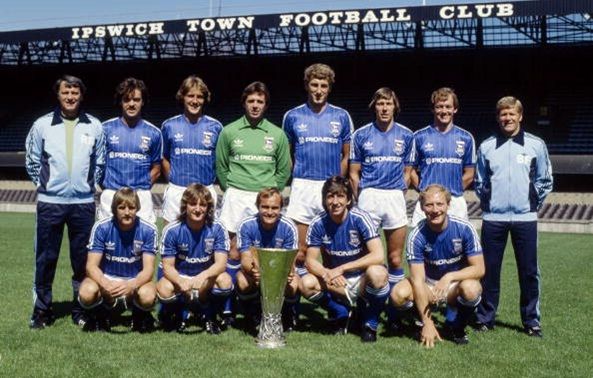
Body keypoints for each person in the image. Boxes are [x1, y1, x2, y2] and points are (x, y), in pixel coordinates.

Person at [25, 74, 105, 329]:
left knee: (82, 261)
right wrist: (44, 185)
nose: (70, 97)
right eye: (65, 92)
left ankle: (80, 308)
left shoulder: (94, 126)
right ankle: (42, 310)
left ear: (81, 95)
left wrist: (90, 186)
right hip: (51, 203)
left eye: (75, 92)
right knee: (46, 259)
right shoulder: (42, 125)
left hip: (83, 204)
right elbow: (32, 160)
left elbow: (99, 162)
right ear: (58, 95)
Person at [475, 96, 553, 337]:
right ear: (498, 117)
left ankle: (531, 321)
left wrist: (531, 202)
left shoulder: (536, 145)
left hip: (525, 219)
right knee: (489, 271)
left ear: (520, 116)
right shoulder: (486, 146)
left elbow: (545, 179)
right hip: (493, 219)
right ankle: (486, 318)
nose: (507, 118)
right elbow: (480, 181)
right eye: (503, 114)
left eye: (511, 114)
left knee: (529, 272)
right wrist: (489, 202)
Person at [215, 81, 291, 324]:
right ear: (244, 103)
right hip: (236, 194)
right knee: (234, 249)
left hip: (264, 197)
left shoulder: (277, 134)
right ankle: (230, 307)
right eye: (251, 101)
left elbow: (284, 169)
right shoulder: (229, 131)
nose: (255, 106)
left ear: (266, 104)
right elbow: (221, 166)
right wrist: (233, 187)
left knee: (263, 248)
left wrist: (269, 193)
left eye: (260, 101)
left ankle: (262, 304)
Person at [349, 87, 414, 330]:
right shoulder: (361, 134)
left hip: (394, 197)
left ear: (395, 106)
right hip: (369, 196)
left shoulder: (407, 135)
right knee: (365, 258)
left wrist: (398, 191)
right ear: (374, 107)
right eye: (380, 104)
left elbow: (408, 172)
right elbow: (354, 173)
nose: (384, 108)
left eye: (388, 104)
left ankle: (393, 311)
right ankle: (364, 306)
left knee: (395, 257)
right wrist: (361, 196)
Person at [283, 63, 354, 276]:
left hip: (330, 187)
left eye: (323, 85)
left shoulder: (342, 116)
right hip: (303, 186)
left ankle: (334, 300)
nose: (319, 90)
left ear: (329, 87)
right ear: (307, 86)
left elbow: (347, 155)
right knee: (300, 250)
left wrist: (337, 181)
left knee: (331, 250)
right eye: (314, 84)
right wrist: (299, 172)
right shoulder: (292, 116)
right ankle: (298, 296)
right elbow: (287, 154)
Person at [392, 184, 484, 347]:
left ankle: (458, 326)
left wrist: (449, 277)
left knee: (472, 289)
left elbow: (479, 269)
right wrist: (428, 322)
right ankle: (420, 322)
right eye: (429, 205)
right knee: (398, 294)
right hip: (428, 285)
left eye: (440, 204)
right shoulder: (417, 235)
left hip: (453, 286)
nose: (435, 210)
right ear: (422, 207)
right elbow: (418, 280)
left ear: (448, 205)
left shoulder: (464, 228)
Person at [300, 176, 389, 343]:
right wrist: (327, 273)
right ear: (324, 200)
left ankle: (370, 322)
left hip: (362, 278)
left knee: (378, 273)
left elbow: (378, 255)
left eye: (340, 196)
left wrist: (342, 269)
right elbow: (310, 261)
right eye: (330, 196)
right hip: (335, 281)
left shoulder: (360, 218)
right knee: (306, 283)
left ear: (348, 199)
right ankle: (340, 312)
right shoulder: (318, 222)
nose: (335, 201)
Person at [78, 188, 158, 332]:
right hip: (107, 278)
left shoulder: (148, 230)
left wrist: (131, 285)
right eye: (122, 208)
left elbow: (149, 269)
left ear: (137, 208)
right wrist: (105, 283)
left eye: (131, 208)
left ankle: (139, 316)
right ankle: (98, 315)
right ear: (114, 209)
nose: (127, 212)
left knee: (148, 296)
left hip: (134, 280)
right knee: (86, 292)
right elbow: (91, 266)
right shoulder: (101, 227)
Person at [156, 183, 232, 334]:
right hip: (181, 276)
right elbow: (167, 267)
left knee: (225, 281)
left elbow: (221, 264)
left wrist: (202, 276)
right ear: (185, 206)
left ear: (208, 207)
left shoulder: (217, 228)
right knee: (164, 289)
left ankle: (210, 314)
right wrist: (181, 281)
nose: (198, 209)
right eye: (193, 204)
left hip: (205, 277)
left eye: (203, 205)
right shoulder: (172, 230)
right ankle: (178, 314)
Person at [99, 77, 162, 224]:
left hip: (141, 195)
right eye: (127, 100)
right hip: (111, 194)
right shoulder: (105, 129)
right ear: (120, 102)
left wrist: (141, 186)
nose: (132, 104)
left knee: (143, 242)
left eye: (136, 99)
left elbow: (157, 168)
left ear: (143, 102)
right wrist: (109, 187)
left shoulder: (154, 132)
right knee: (108, 241)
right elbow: (98, 165)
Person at [235, 188, 299, 332]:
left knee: (294, 283)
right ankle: (251, 316)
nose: (270, 212)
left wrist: (286, 274)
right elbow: (245, 257)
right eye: (265, 207)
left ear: (281, 208)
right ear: (258, 206)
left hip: (279, 272)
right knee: (243, 281)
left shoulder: (289, 227)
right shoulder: (246, 225)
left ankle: (286, 316)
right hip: (255, 271)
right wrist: (254, 271)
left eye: (274, 208)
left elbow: (290, 261)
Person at [161, 75, 223, 224]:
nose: (195, 101)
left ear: (205, 99)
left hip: (206, 191)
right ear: (182, 97)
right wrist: (173, 179)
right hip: (177, 191)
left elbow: (221, 160)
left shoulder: (216, 127)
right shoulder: (169, 126)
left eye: (200, 97)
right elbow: (164, 157)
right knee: (171, 237)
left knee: (207, 240)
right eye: (190, 96)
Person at [410, 87, 476, 226]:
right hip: (427, 202)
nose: (444, 111)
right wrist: (424, 191)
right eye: (439, 107)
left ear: (455, 109)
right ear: (433, 109)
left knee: (457, 245)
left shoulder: (466, 137)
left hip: (455, 201)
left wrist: (449, 195)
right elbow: (410, 171)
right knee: (421, 244)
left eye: (448, 106)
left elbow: (470, 173)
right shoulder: (419, 136)